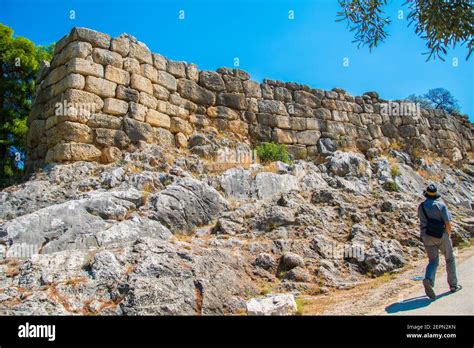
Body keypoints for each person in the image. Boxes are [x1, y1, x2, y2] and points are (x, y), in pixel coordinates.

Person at [417, 184, 462, 300]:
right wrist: (448, 234)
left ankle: (429, 279)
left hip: (427, 236)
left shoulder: (421, 206)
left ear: (426, 194)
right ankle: (453, 286)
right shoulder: (441, 206)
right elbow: (447, 223)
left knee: (433, 261)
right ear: (436, 195)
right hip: (441, 235)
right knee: (449, 259)